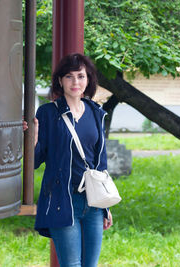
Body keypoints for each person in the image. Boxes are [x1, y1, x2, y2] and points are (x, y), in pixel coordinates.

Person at [23, 53, 113, 267]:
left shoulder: (95, 112)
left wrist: (106, 206)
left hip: (93, 202)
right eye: (69, 77)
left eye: (81, 76)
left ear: (88, 79)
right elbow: (34, 161)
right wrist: (32, 139)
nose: (75, 82)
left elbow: (101, 162)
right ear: (60, 81)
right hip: (62, 200)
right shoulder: (47, 113)